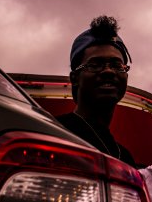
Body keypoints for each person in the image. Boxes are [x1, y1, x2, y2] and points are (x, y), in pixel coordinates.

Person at [56, 15, 136, 167]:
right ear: (75, 78)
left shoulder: (124, 156)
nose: (108, 71)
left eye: (117, 65)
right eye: (95, 64)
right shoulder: (53, 132)